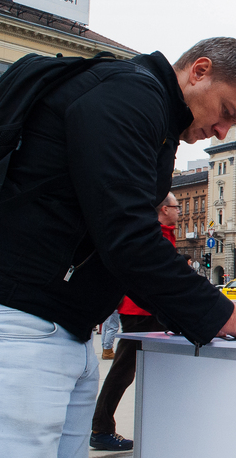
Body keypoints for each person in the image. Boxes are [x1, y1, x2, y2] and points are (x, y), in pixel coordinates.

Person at [0, 37, 236, 458]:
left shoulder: (154, 117)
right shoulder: (132, 95)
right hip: (10, 323)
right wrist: (227, 314)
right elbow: (127, 235)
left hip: (53, 328)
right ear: (199, 71)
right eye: (225, 112)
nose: (222, 131)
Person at [90, 192, 182, 451]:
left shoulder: (162, 231)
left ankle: (157, 424)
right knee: (123, 371)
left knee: (140, 369)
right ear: (164, 209)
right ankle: (101, 428)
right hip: (142, 311)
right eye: (176, 207)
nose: (179, 212)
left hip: (144, 310)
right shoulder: (157, 234)